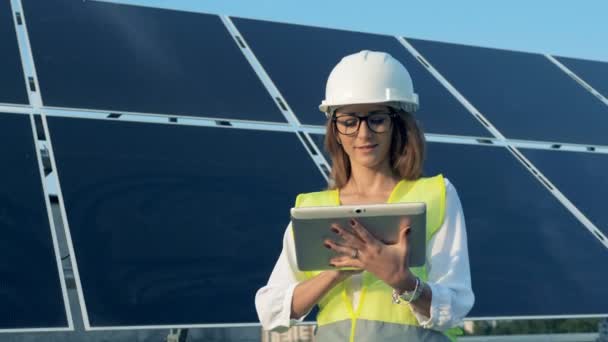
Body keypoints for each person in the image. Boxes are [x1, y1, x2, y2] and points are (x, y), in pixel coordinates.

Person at [255, 50, 474, 341]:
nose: (363, 134)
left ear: (398, 123)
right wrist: (336, 271)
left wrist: (402, 281)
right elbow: (272, 311)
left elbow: (455, 308)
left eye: (377, 119)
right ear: (335, 128)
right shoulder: (312, 209)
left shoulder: (436, 195)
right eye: (349, 121)